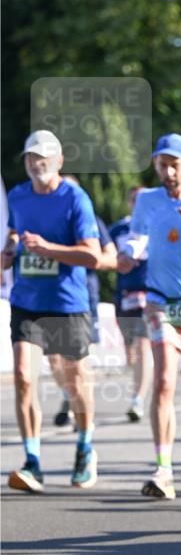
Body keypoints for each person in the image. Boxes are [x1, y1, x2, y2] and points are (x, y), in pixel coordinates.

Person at [116, 133, 181, 499]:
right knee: (163, 382)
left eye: (174, 164)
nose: (168, 171)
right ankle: (163, 469)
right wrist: (128, 253)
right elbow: (138, 238)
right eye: (162, 164)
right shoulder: (147, 200)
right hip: (160, 302)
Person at [2, 130, 101, 491]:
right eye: (31, 158)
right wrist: (9, 250)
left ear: (59, 161)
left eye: (43, 158)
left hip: (66, 303)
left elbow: (92, 254)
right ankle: (32, 462)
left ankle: (85, 448)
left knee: (75, 382)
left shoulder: (75, 198)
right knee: (24, 377)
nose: (36, 164)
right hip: (27, 301)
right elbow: (14, 232)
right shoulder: (18, 195)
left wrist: (47, 248)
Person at [51, 175, 118, 427]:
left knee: (77, 358)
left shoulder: (90, 218)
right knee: (53, 357)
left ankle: (81, 410)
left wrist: (84, 257)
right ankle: (69, 395)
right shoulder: (46, 218)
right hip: (49, 295)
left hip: (81, 295)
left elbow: (110, 256)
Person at [109, 186, 152, 421]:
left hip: (149, 294)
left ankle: (138, 399)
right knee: (130, 350)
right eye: (135, 199)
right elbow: (105, 254)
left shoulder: (156, 225)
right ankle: (139, 385)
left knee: (142, 343)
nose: (139, 203)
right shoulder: (118, 229)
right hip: (124, 295)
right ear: (129, 202)